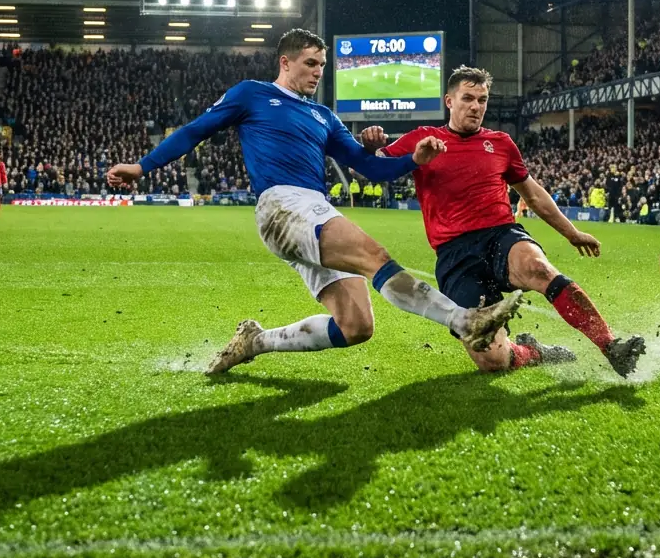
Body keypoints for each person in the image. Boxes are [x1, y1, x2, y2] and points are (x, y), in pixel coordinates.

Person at [104, 29, 524, 375]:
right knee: (373, 254)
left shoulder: (324, 116)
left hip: (314, 212)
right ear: (285, 62)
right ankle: (463, 320)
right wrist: (142, 167)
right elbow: (195, 130)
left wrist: (411, 160)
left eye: (322, 65)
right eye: (310, 63)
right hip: (283, 207)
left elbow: (369, 168)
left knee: (356, 325)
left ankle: (255, 341)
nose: (318, 72)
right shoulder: (251, 94)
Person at [364, 66, 646, 376]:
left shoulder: (500, 143)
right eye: (468, 98)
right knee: (492, 360)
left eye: (482, 100)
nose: (476, 106)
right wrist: (371, 148)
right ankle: (531, 351)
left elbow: (534, 195)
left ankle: (611, 346)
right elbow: (368, 169)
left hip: (500, 235)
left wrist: (572, 232)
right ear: (449, 100)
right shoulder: (422, 139)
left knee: (537, 268)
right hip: (455, 255)